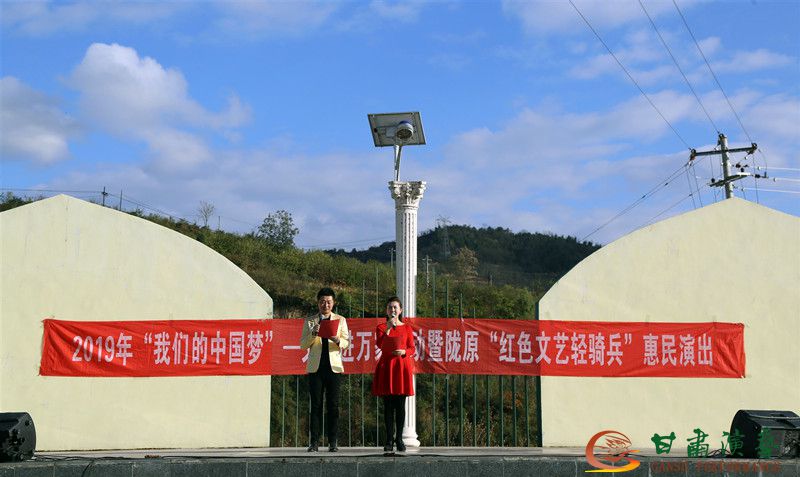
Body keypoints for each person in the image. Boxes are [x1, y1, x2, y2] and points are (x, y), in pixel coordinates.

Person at [300, 287, 349, 452]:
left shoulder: (340, 320)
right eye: (322, 301)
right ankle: (314, 442)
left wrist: (337, 340)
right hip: (316, 368)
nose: (325, 305)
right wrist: (314, 333)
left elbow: (347, 343)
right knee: (316, 405)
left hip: (334, 368)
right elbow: (303, 344)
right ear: (318, 303)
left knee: (333, 406)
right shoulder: (311, 321)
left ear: (333, 303)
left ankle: (332, 442)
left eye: (328, 302)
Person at [372, 296, 415, 452]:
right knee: (388, 406)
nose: (393, 310)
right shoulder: (381, 327)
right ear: (387, 310)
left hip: (401, 367)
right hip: (387, 367)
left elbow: (412, 348)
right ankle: (389, 439)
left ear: (400, 310)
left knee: (400, 406)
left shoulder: (407, 328)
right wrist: (389, 328)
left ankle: (399, 439)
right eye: (390, 307)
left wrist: (404, 352)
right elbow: (380, 344)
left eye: (395, 307)